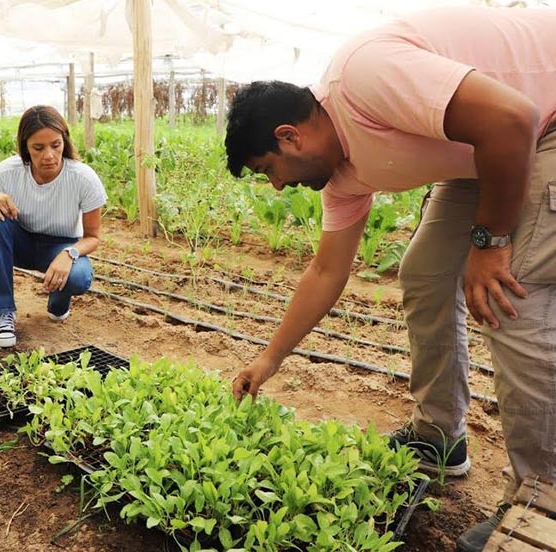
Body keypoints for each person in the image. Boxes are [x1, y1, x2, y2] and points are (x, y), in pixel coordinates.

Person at [224, 6, 556, 551]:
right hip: (486, 151)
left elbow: (512, 118)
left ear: (289, 137)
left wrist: (491, 243)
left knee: (510, 294)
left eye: (268, 172)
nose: (278, 187)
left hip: (541, 127)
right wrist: (270, 358)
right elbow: (327, 270)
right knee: (425, 272)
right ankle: (440, 436)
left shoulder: (362, 76)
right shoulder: (342, 177)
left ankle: (542, 504)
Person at [0, 105, 106, 347]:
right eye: (38, 148)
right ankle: (4, 312)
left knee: (78, 276)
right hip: (20, 242)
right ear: (25, 147)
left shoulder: (83, 178)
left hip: (59, 246)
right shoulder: (8, 171)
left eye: (56, 145)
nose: (49, 156)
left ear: (64, 141)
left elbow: (93, 237)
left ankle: (59, 302)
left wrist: (70, 253)